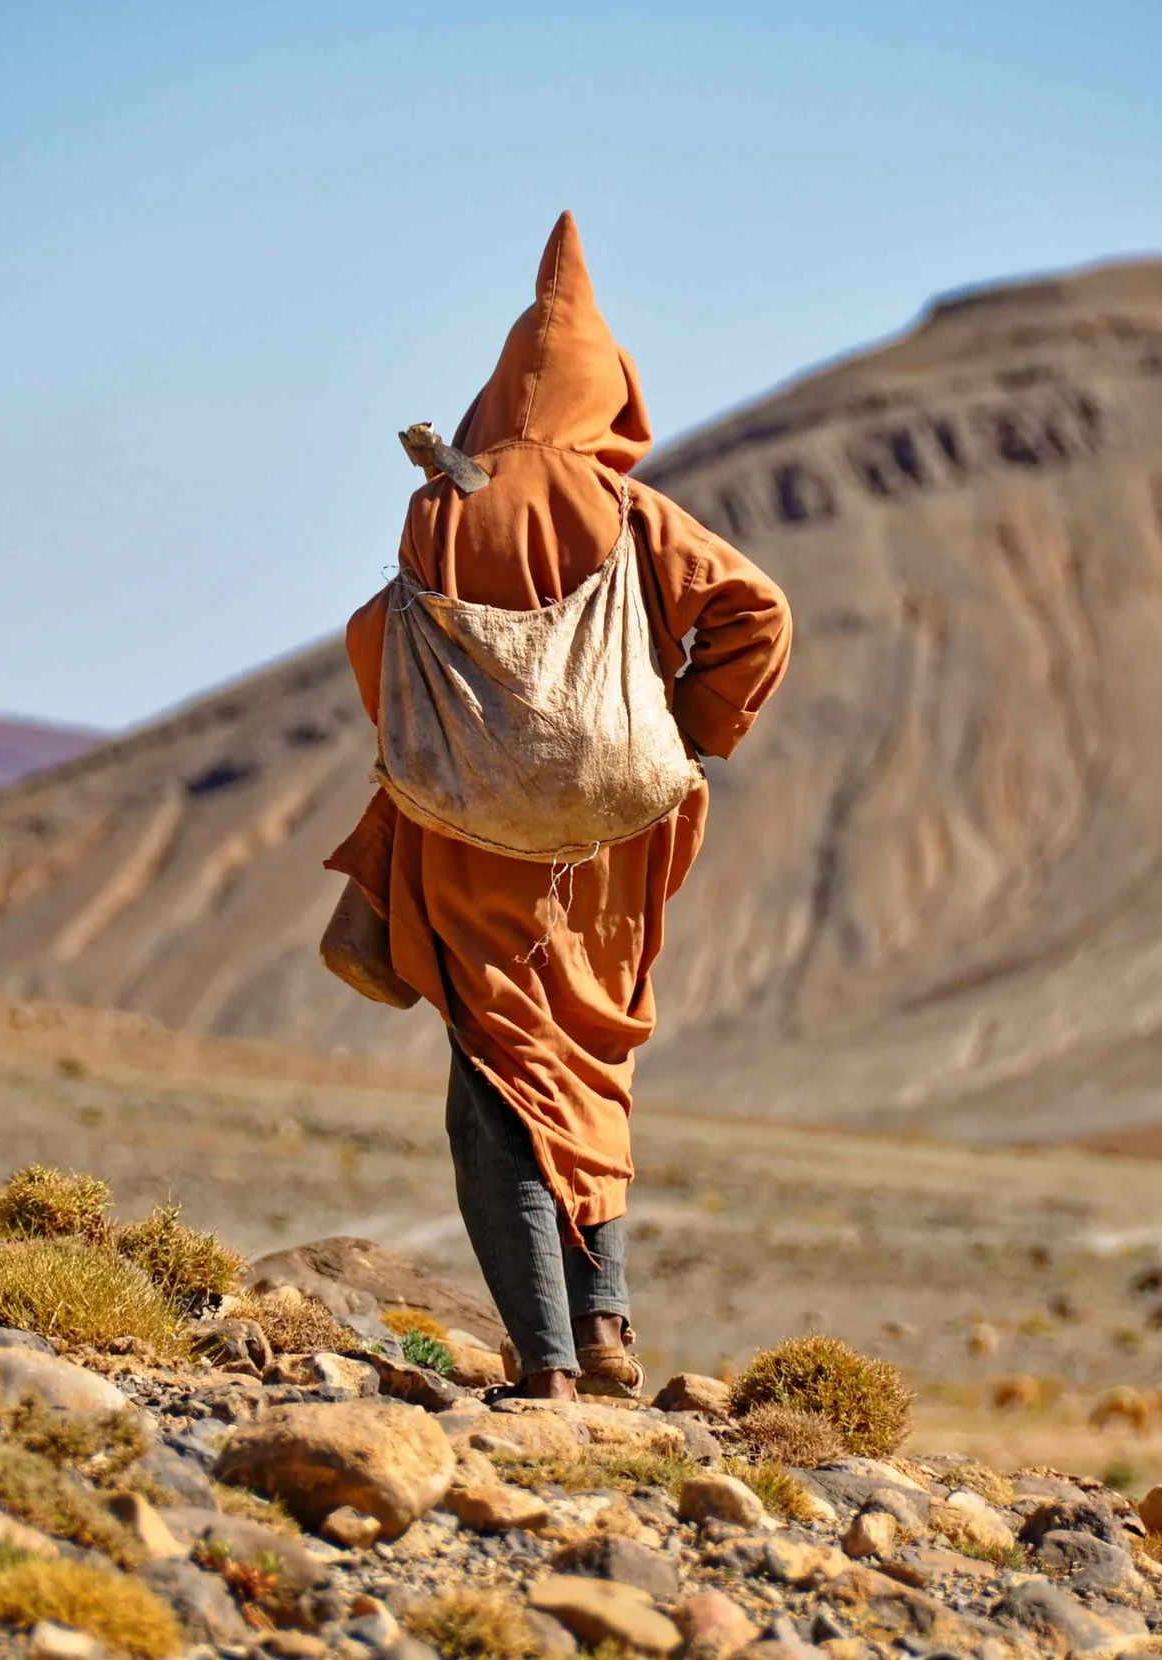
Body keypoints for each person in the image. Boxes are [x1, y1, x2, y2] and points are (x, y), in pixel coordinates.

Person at [325, 212, 792, 1401]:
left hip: (464, 839)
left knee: (497, 1072)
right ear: (611, 397)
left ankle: (541, 1357)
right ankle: (607, 1327)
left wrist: (436, 741)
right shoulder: (630, 514)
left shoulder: (442, 502)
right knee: (586, 1060)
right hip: (611, 845)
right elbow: (758, 613)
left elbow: (381, 635)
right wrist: (687, 728)